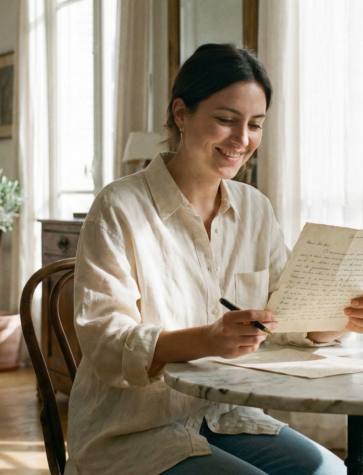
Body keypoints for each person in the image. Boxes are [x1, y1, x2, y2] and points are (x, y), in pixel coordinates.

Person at [64, 43, 357, 475]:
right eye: (226, 120)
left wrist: (340, 317)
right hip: (132, 431)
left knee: (330, 472)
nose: (242, 139)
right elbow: (107, 342)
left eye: (255, 125)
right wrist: (206, 338)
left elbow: (283, 315)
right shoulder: (119, 207)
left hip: (226, 416)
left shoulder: (255, 209)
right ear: (181, 114)